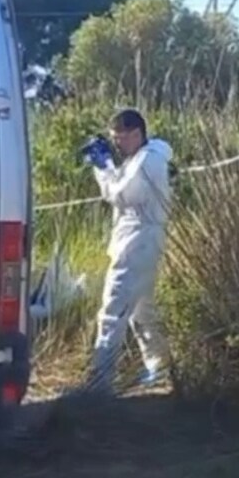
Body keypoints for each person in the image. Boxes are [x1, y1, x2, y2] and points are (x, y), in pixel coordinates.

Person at [80, 109, 175, 392]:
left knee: (113, 311)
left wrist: (102, 166)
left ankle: (99, 384)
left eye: (119, 138)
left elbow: (120, 195)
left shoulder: (148, 160)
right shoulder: (141, 159)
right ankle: (159, 370)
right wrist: (110, 165)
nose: (117, 144)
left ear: (136, 134)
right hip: (140, 241)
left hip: (137, 243)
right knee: (142, 312)